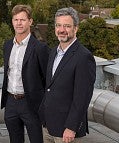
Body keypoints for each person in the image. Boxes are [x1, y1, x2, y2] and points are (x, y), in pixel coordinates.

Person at [38, 7, 96, 143]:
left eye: (67, 26)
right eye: (58, 25)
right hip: (48, 126)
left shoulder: (84, 57)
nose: (62, 29)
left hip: (66, 131)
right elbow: (50, 87)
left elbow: (82, 97)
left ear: (75, 28)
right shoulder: (53, 52)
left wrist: (71, 127)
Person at [0, 4, 50, 143]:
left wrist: (44, 105)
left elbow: (48, 79)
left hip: (31, 104)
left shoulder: (40, 47)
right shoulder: (7, 45)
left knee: (36, 140)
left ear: (30, 21)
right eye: (16, 20)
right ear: (12, 22)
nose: (19, 23)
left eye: (22, 19)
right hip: (11, 102)